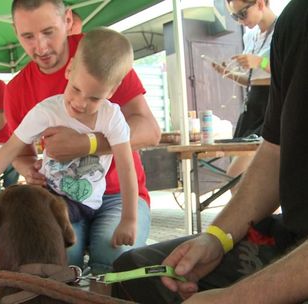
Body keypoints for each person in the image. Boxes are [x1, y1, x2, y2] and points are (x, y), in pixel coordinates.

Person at [112, 0, 308, 302]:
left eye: (242, 13)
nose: (240, 20)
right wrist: (216, 237)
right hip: (295, 235)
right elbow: (275, 152)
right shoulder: (296, 19)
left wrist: (233, 298)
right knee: (138, 274)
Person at [4, 0, 161, 275]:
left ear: (67, 20)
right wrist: (29, 169)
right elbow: (20, 153)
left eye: (48, 32)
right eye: (28, 36)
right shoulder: (16, 89)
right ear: (15, 31)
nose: (40, 47)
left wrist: (87, 144)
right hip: (59, 195)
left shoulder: (101, 54)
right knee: (59, 258)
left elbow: (149, 129)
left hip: (119, 195)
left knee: (113, 256)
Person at [0, 28, 140, 251]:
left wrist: (129, 220)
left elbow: (127, 168)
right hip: (47, 192)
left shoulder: (111, 116)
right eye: (75, 89)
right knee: (17, 210)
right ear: (70, 69)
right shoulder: (47, 110)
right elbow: (10, 148)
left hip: (82, 201)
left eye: (94, 98)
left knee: (42, 221)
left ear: (112, 91)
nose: (80, 103)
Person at [209, 0, 276, 193]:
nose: (239, 21)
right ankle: (258, 221)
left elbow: (291, 68)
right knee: (253, 176)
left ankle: (253, 220)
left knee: (236, 173)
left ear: (261, 4)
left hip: (273, 104)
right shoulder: (251, 36)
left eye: (242, 14)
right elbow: (251, 80)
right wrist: (227, 73)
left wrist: (260, 62)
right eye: (234, 16)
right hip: (253, 105)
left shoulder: (283, 30)